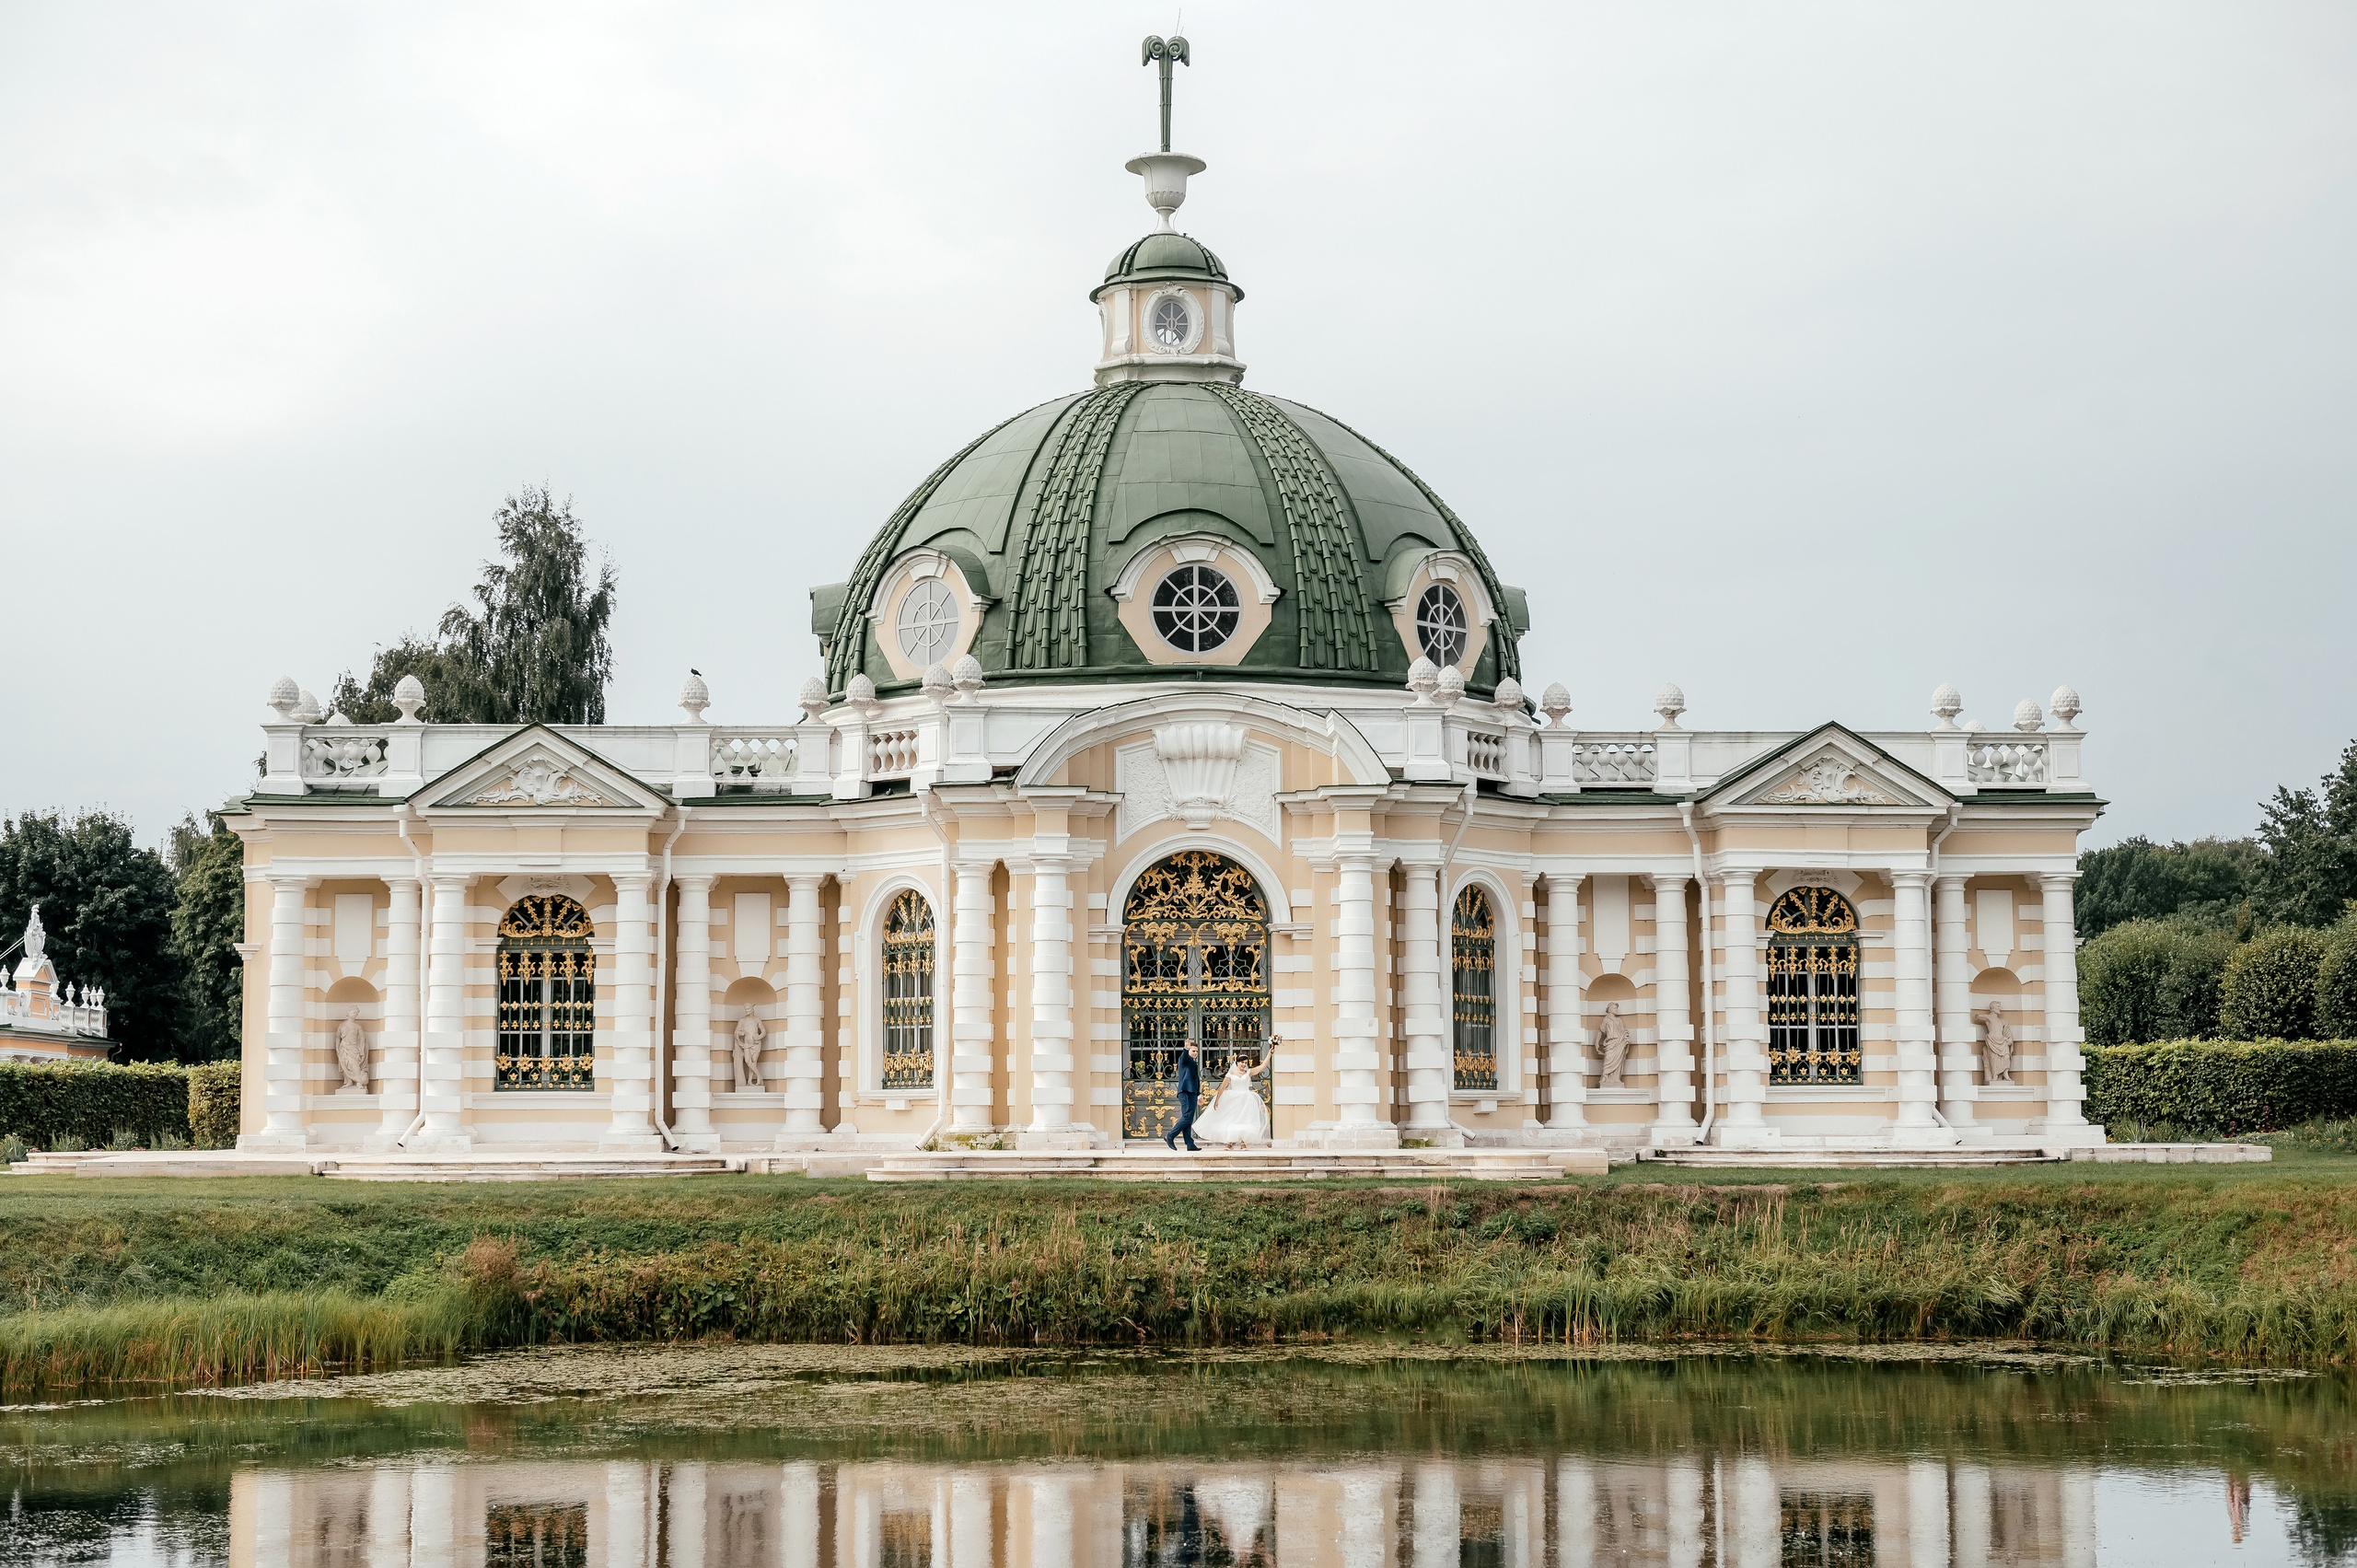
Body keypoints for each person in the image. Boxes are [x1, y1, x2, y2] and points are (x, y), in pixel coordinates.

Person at [1193, 1048, 1271, 1147]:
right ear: (1237, 1063)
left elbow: (1262, 1066)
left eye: (1246, 1063)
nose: (1244, 1064)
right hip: (1233, 1098)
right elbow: (1222, 1087)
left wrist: (1270, 1053)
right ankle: (1229, 1142)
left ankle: (1243, 1142)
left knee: (1245, 1120)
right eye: (1242, 1062)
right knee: (1232, 1120)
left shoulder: (1249, 1072)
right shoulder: (1231, 1074)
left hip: (1246, 1099)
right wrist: (1217, 1100)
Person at [1166, 1041, 1202, 1152]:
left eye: (1196, 1051)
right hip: (1184, 1091)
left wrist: (1198, 1095)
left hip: (1192, 1093)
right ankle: (1170, 1136)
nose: (1195, 1053)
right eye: (1193, 1051)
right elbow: (1184, 1056)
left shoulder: (1194, 1064)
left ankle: (1190, 1144)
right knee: (1187, 1116)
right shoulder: (1184, 1060)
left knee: (1189, 1119)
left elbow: (1196, 1080)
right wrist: (1186, 1049)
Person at [1596, 1002, 1631, 1087]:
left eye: (1616, 1008)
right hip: (1611, 1043)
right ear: (1609, 1009)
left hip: (1619, 1042)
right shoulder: (1606, 1019)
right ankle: (1605, 1077)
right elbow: (1601, 1031)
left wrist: (1626, 1037)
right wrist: (1596, 1043)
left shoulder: (1619, 1020)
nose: (1616, 1010)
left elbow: (1623, 1031)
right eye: (1614, 1008)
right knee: (1608, 1058)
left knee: (1618, 1061)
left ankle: (1616, 1079)